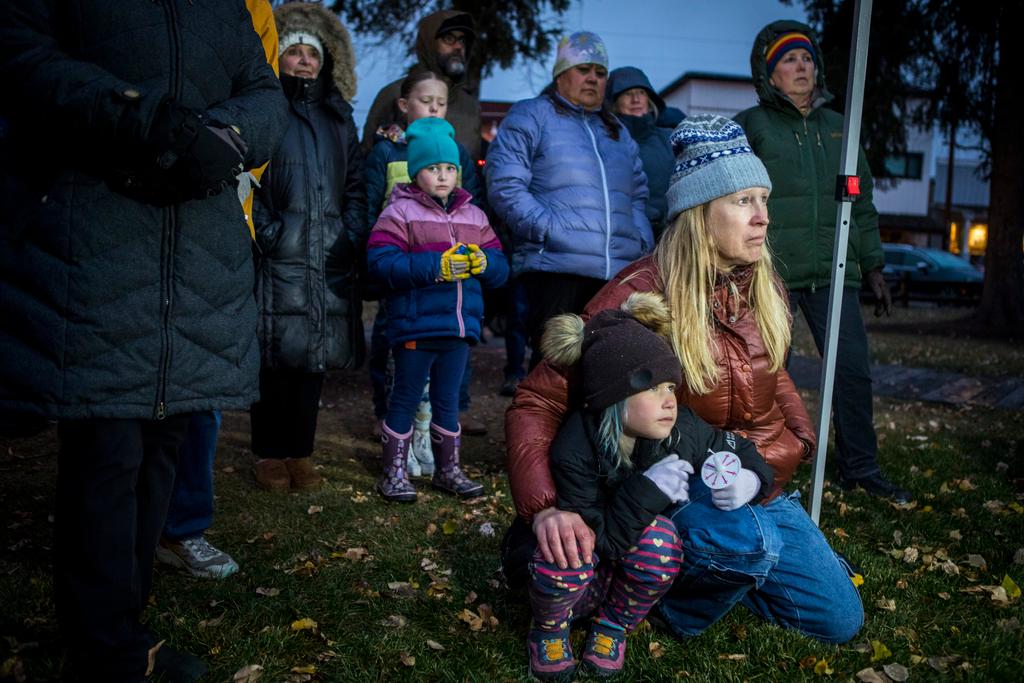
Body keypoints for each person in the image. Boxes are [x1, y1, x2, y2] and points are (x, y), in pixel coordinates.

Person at [0, 0, 287, 679]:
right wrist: (142, 116)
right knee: (107, 440)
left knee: (165, 436)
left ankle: (125, 617)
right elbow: (19, 50)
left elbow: (265, 91)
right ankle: (105, 644)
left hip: (196, 250)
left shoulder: (223, 6)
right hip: (95, 236)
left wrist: (225, 135)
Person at [503, 115, 864, 646]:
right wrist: (547, 508)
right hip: (671, 479)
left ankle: (716, 568)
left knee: (838, 620)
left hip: (754, 477)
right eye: (743, 201)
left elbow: (777, 374)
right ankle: (653, 589)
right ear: (698, 213)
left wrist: (796, 442)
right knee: (748, 543)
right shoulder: (639, 296)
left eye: (763, 199)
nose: (763, 217)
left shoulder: (767, 286)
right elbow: (538, 401)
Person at [525, 293, 774, 679]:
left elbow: (738, 447)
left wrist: (751, 478)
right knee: (566, 546)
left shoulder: (682, 429)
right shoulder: (574, 449)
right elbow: (602, 543)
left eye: (671, 387)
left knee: (663, 541)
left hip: (630, 573)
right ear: (613, 395)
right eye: (652, 388)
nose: (668, 401)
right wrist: (648, 488)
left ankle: (613, 625)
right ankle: (549, 628)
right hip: (585, 572)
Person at [734, 21, 910, 502]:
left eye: (807, 58)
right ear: (770, 76)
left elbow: (864, 199)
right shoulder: (753, 125)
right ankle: (761, 467)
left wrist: (873, 266)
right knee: (768, 371)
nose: (801, 67)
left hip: (834, 272)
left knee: (852, 369)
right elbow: (731, 197)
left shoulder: (840, 128)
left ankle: (861, 468)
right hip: (771, 273)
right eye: (789, 60)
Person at [156, 0, 279, 582]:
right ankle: (130, 524)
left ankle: (183, 527)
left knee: (200, 382)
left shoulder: (249, 7)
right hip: (127, 199)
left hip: (216, 208)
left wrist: (221, 146)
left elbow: (263, 98)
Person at [250, 2, 367, 492]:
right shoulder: (266, 110)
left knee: (314, 359)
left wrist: (353, 233)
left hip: (330, 255)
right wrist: (269, 234)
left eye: (311, 53)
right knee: (275, 355)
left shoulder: (340, 119)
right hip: (281, 256)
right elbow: (246, 182)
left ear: (326, 60)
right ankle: (267, 454)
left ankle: (301, 452)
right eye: (293, 50)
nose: (302, 60)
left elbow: (358, 183)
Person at [486, 31, 653, 367]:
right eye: (583, 68)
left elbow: (638, 196)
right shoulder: (532, 115)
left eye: (600, 72)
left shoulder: (618, 132)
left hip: (614, 274)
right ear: (561, 74)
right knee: (552, 375)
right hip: (556, 269)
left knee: (606, 373)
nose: (593, 78)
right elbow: (505, 184)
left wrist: (639, 240)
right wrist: (548, 229)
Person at [367, 118, 508, 502]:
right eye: (433, 168)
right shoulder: (399, 213)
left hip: (459, 327)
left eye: (449, 169)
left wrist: (483, 263)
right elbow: (380, 262)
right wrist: (435, 268)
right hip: (414, 326)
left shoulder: (475, 216)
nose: (443, 176)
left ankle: (448, 470)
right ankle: (394, 472)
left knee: (448, 400)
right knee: (406, 396)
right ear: (416, 172)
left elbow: (501, 267)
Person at [364, 70, 486, 450]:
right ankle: (388, 416)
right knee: (395, 342)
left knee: (451, 339)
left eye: (441, 103)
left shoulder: (456, 154)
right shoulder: (388, 149)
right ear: (404, 105)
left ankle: (441, 420)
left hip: (450, 273)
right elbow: (368, 205)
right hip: (401, 265)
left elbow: (471, 207)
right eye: (425, 101)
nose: (434, 108)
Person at [362, 10, 481, 161]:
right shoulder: (395, 94)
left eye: (463, 41)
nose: (458, 46)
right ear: (430, 43)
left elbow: (475, 168)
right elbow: (366, 157)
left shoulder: (470, 106)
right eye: (449, 38)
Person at [607, 67, 674, 241]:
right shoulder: (606, 141)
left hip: (671, 235)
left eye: (641, 93)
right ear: (614, 101)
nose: (636, 99)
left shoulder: (669, 138)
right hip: (625, 236)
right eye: (628, 94)